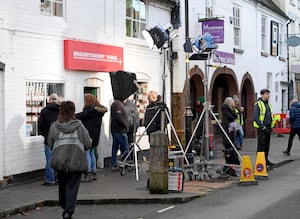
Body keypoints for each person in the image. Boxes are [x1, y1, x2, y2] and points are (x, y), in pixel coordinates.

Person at [48, 101, 91, 219]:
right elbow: (87, 143)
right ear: (73, 111)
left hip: (59, 161)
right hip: (76, 161)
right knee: (72, 187)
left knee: (62, 186)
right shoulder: (79, 126)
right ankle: (68, 211)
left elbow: (50, 143)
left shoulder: (55, 126)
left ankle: (64, 205)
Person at [76, 94, 107, 181]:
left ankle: (87, 173)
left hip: (88, 135)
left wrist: (70, 115)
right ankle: (93, 172)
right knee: (92, 152)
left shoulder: (90, 110)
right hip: (96, 135)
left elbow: (80, 116)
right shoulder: (99, 111)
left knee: (87, 153)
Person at [38, 93, 60, 186]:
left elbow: (40, 125)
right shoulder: (61, 110)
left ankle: (50, 180)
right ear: (57, 100)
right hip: (60, 138)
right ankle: (59, 179)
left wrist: (45, 134)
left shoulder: (44, 111)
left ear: (49, 100)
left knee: (49, 159)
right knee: (59, 159)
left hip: (49, 139)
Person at [253, 88, 275, 166]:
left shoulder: (268, 104)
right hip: (262, 128)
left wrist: (272, 125)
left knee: (267, 145)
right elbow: (255, 117)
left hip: (268, 127)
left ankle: (266, 159)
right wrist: (262, 127)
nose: (268, 95)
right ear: (262, 94)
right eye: (266, 94)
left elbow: (270, 115)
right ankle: (259, 162)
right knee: (261, 146)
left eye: (268, 94)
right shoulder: (258, 104)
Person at [110, 98, 130, 171]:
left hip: (115, 130)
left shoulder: (115, 104)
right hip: (120, 130)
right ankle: (128, 164)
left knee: (115, 147)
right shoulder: (118, 105)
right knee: (125, 147)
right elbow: (119, 117)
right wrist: (126, 125)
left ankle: (114, 164)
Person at [221, 97, 239, 175]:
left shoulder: (232, 109)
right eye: (232, 102)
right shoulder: (226, 109)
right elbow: (231, 117)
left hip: (231, 129)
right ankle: (229, 165)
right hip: (227, 129)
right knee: (228, 147)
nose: (233, 103)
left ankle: (232, 165)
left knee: (232, 146)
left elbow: (235, 116)